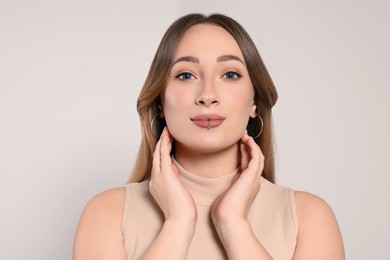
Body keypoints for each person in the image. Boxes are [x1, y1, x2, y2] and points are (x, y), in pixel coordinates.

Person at [73, 13, 345, 260]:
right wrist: (178, 222)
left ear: (254, 102)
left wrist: (233, 223)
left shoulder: (308, 218)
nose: (207, 95)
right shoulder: (108, 214)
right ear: (160, 103)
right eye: (186, 75)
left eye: (230, 74)